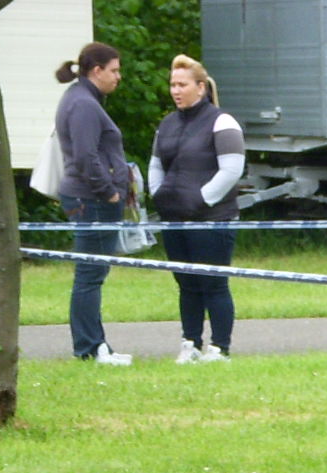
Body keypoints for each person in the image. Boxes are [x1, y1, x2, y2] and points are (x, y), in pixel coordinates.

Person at [150, 55, 245, 362]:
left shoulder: (222, 121)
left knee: (213, 283)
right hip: (174, 219)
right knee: (186, 283)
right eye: (172, 85)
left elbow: (231, 170)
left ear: (201, 87)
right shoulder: (166, 124)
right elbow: (155, 165)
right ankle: (190, 343)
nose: (176, 90)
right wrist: (159, 195)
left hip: (212, 219)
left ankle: (220, 347)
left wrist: (201, 200)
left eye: (182, 84)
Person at [53, 44, 132, 366]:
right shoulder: (84, 104)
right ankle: (90, 347)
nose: (118, 77)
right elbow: (86, 157)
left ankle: (94, 345)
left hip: (87, 197)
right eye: (114, 70)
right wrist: (110, 192)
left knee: (91, 274)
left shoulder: (81, 98)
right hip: (92, 199)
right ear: (95, 71)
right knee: (90, 275)